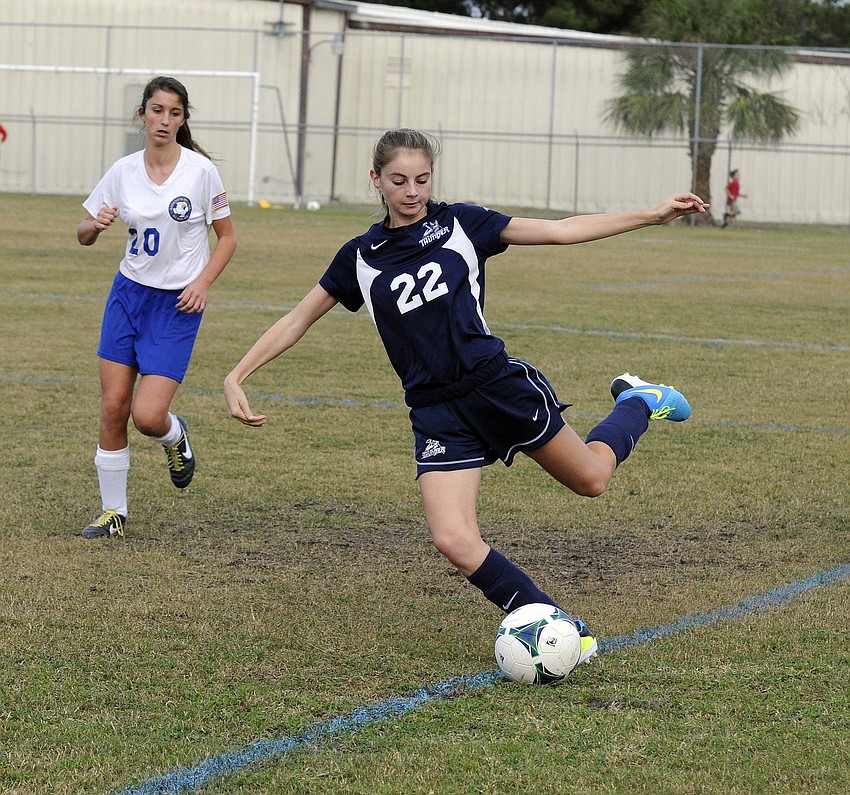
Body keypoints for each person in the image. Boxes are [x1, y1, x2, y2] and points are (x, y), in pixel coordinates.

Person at [224, 128, 708, 663]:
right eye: (399, 180)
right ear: (376, 180)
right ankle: (560, 626)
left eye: (422, 179)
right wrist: (237, 374)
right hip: (434, 409)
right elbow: (298, 318)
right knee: (453, 538)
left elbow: (562, 229)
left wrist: (651, 214)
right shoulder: (359, 257)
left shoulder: (462, 224)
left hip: (494, 386)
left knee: (592, 480)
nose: (412, 191)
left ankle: (637, 401)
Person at [77, 76, 237, 539]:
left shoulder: (201, 172)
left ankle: (175, 435)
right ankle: (113, 513)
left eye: (174, 113)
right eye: (156, 110)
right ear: (142, 114)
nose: (164, 120)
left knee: (147, 416)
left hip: (177, 305)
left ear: (183, 119)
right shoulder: (123, 170)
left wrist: (203, 281)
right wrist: (95, 224)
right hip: (128, 295)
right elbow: (83, 233)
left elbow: (227, 238)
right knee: (113, 406)